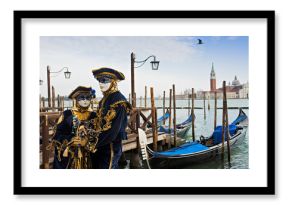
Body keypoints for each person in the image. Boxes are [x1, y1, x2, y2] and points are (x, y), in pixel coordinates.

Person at [91, 67, 131, 169]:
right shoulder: (104, 99)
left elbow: (113, 131)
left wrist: (94, 144)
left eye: (104, 81)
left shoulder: (119, 101)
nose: (101, 84)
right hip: (101, 145)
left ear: (113, 82)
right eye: (99, 81)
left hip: (111, 147)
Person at [51, 86, 98, 169]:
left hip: (89, 157)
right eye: (82, 98)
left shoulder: (94, 115)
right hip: (70, 156)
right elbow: (57, 135)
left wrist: (87, 141)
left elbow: (98, 134)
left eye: (88, 98)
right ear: (76, 99)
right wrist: (70, 140)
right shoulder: (67, 114)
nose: (85, 100)